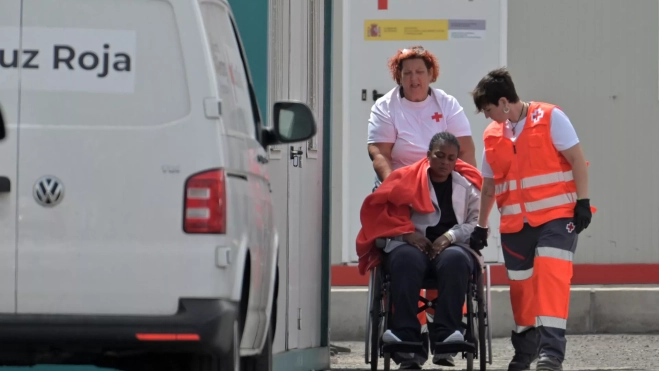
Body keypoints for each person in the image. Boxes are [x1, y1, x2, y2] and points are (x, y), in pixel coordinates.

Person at [468, 68, 594, 371]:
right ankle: (525, 353)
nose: (487, 117)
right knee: (522, 292)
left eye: (488, 110)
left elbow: (577, 158)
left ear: (504, 102)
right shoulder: (492, 135)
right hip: (515, 226)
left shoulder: (550, 118)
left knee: (551, 279)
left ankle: (551, 355)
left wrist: (583, 202)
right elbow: (489, 185)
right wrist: (482, 226)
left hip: (556, 218)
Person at [356, 132, 483, 369]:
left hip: (452, 246)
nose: (445, 162)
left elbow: (475, 222)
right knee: (405, 259)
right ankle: (405, 334)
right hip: (410, 244)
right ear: (428, 156)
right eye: (440, 156)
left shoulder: (466, 187)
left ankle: (448, 333)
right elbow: (385, 216)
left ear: (457, 161)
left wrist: (449, 236)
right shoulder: (407, 180)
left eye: (451, 158)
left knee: (455, 260)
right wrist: (407, 235)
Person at [367, 45, 477, 191]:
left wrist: (468, 189)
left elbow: (465, 150)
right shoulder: (384, 106)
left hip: (441, 184)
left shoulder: (448, 104)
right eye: (407, 73)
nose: (414, 78)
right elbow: (380, 153)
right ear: (399, 76)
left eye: (419, 72)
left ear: (430, 74)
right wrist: (394, 188)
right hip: (399, 183)